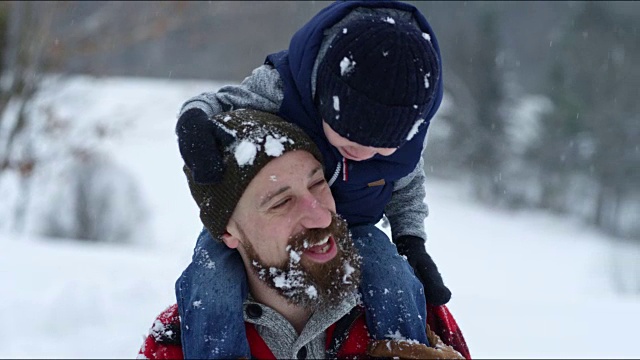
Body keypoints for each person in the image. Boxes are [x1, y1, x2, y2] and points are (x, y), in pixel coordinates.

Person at [175, 1, 451, 358]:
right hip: (257, 233)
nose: (365, 155)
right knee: (209, 284)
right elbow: (218, 102)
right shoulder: (280, 88)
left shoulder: (408, 128)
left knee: (392, 276)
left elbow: (406, 183)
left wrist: (411, 241)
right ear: (323, 98)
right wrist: (193, 121)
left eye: (382, 149)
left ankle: (405, 349)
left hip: (357, 228)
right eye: (350, 141)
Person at [139, 109, 465, 359]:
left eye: (317, 183)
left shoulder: (419, 313)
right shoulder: (174, 342)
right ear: (228, 231)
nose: (321, 215)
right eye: (281, 202)